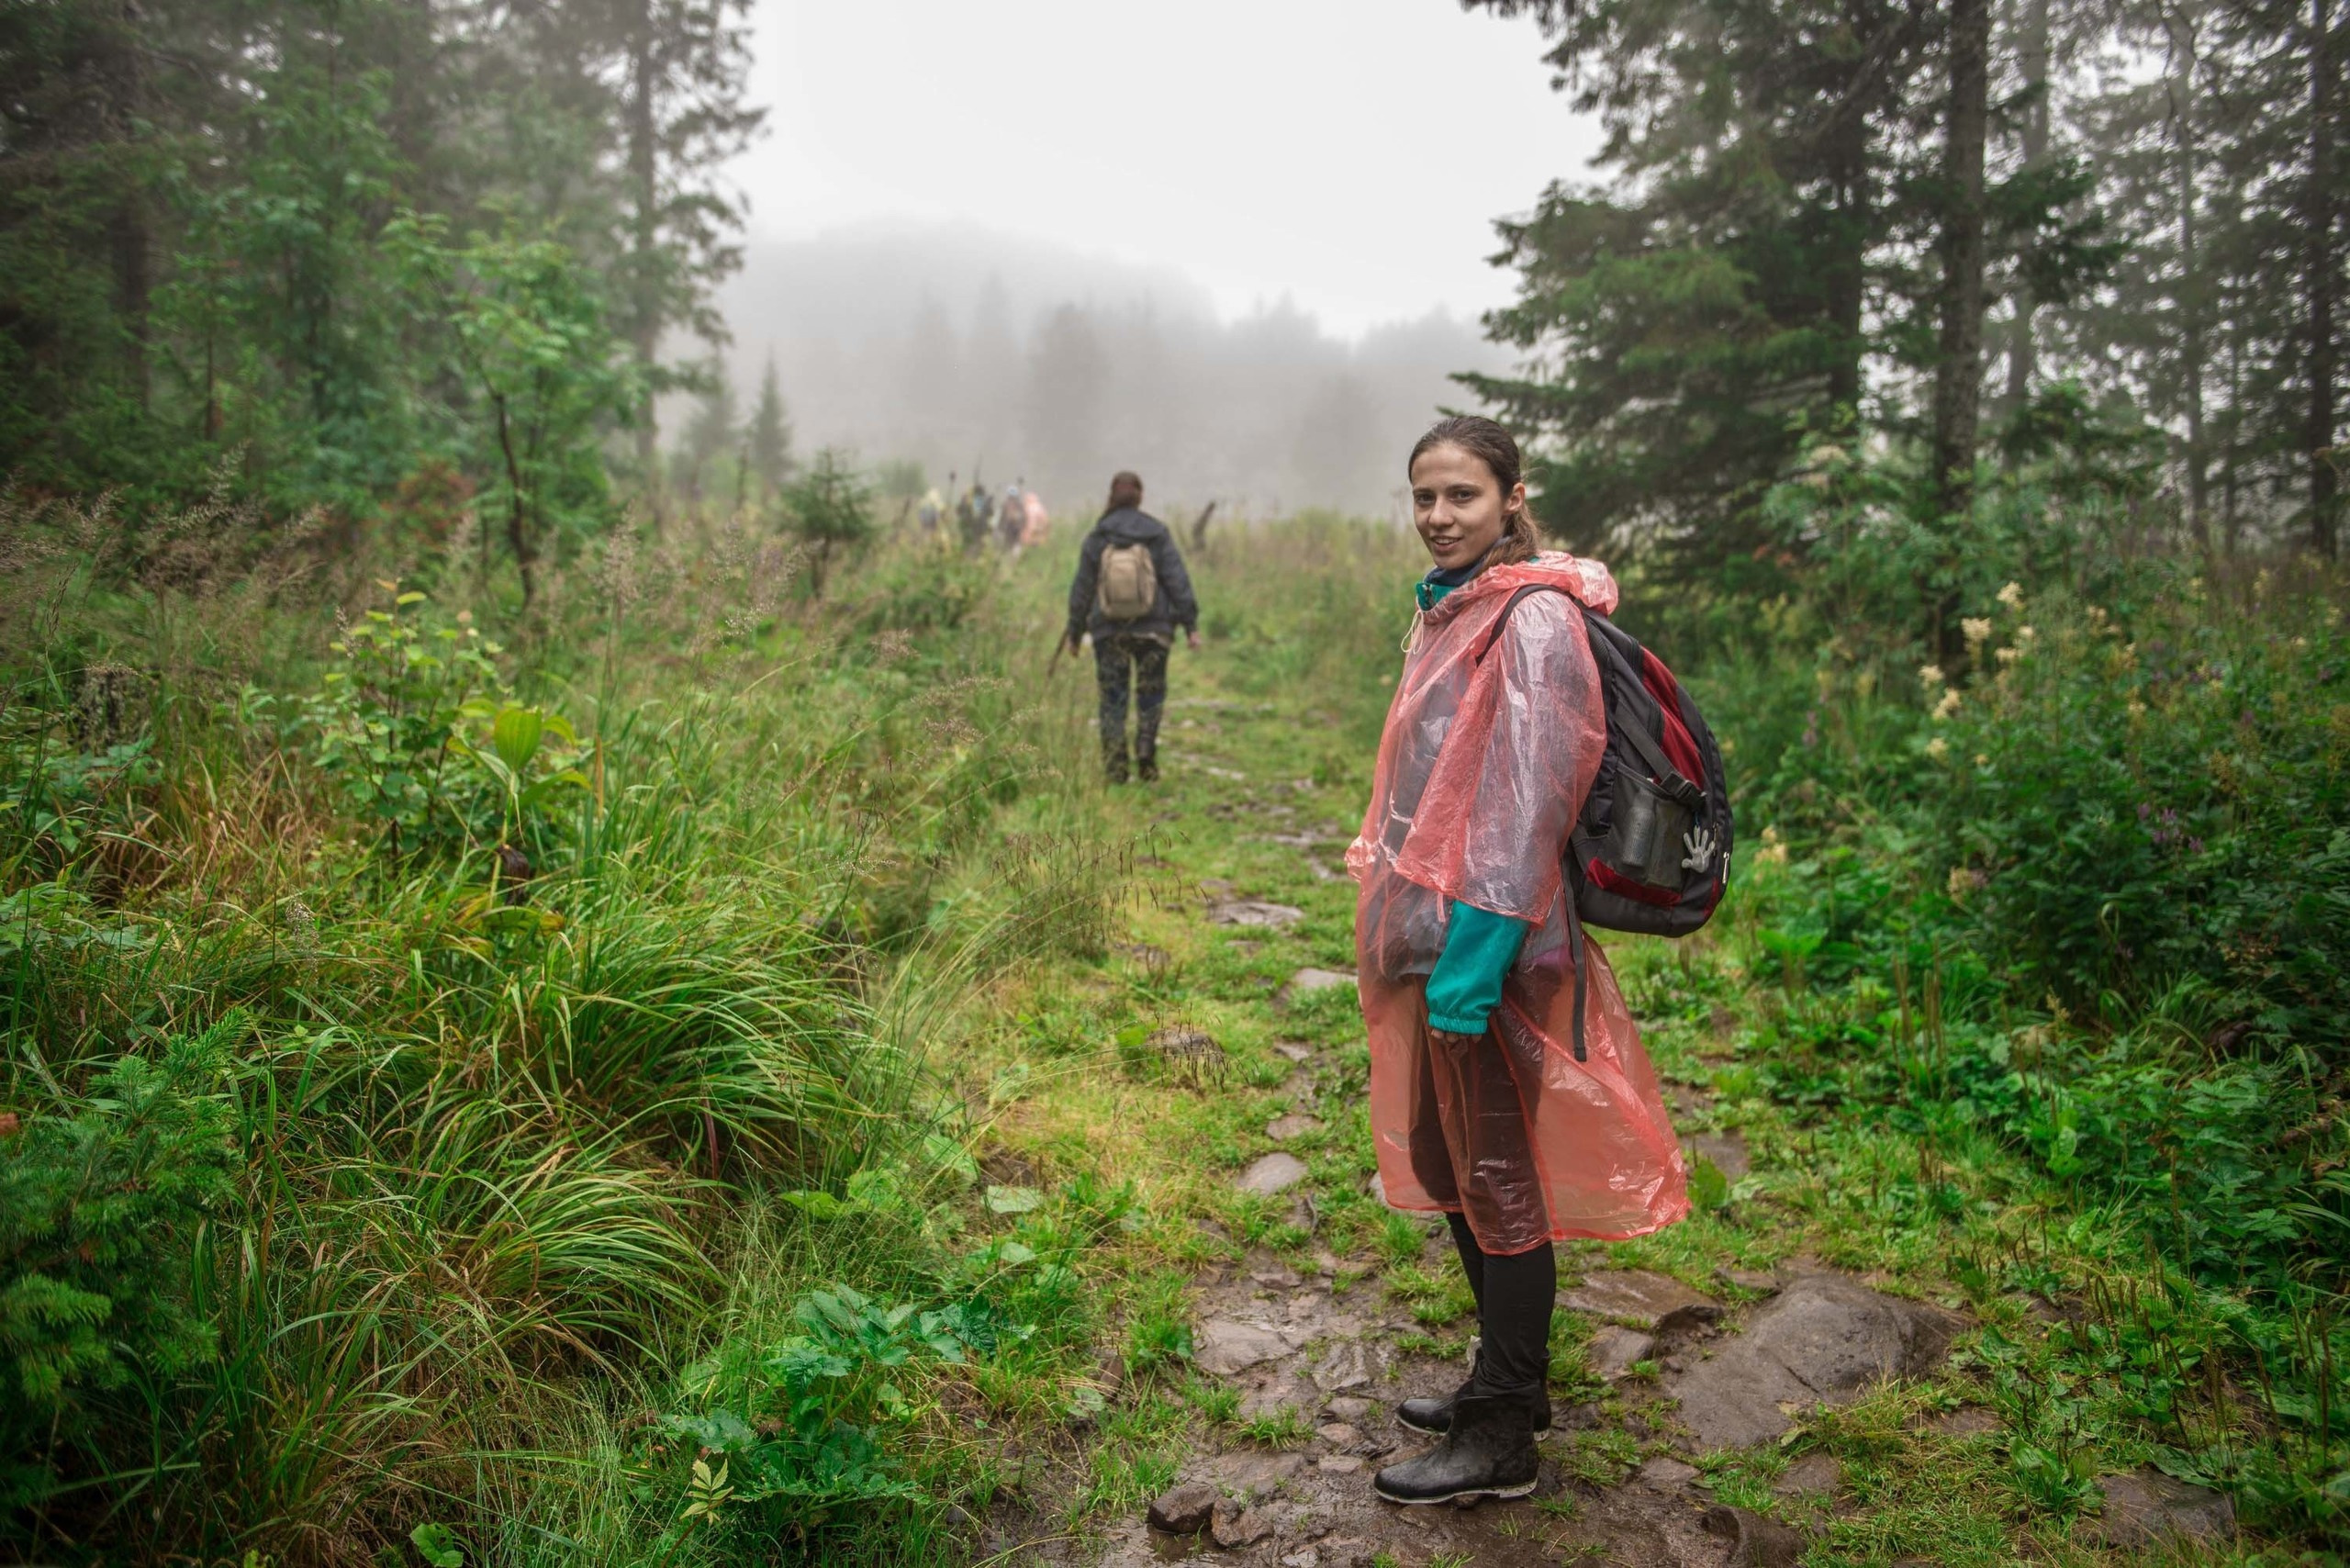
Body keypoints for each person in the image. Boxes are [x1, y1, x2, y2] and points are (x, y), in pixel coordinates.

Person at [1348, 416, 1687, 1506]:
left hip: (1490, 946)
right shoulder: (1456, 607)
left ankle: (1501, 1433)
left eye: (1461, 495)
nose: (1438, 515)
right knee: (1454, 1161)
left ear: (1511, 497)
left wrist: (1473, 960)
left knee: (1495, 1178)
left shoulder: (1532, 619)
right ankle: (1509, 1381)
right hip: (1437, 935)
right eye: (1424, 496)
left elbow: (1528, 800)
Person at [1063, 470, 1199, 783]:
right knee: (1151, 691)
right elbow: (1177, 580)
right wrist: (1190, 624)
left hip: (1109, 630)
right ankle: (1146, 750)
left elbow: (1082, 588)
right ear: (1140, 496)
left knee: (1113, 697)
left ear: (1111, 495)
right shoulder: (1157, 533)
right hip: (1154, 629)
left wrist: (1074, 632)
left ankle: (1115, 766)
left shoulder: (1098, 537)